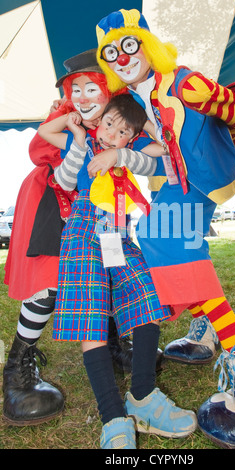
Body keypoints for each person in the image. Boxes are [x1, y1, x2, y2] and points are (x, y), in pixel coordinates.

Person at [92, 9, 235, 449]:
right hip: (175, 179)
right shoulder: (134, 101)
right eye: (111, 52)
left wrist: (222, 140)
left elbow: (232, 112)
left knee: (166, 239)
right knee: (163, 240)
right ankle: (209, 328)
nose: (122, 57)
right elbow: (152, 148)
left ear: (146, 43)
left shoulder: (181, 81)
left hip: (202, 178)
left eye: (129, 44)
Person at [38, 91, 197, 449]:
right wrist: (76, 121)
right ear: (99, 120)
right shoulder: (82, 145)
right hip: (82, 229)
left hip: (119, 234)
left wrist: (121, 152)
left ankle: (142, 395)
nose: (111, 132)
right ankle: (112, 415)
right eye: (108, 123)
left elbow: (162, 147)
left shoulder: (128, 158)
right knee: (90, 316)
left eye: (122, 131)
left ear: (131, 136)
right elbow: (47, 131)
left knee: (146, 294)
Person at [2, 49, 137, 426]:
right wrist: (70, 126)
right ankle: (17, 370)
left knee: (109, 271)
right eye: (76, 88)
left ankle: (111, 344)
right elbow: (37, 149)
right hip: (51, 201)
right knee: (48, 283)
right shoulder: (67, 114)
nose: (84, 95)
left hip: (100, 205)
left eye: (93, 87)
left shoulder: (116, 119)